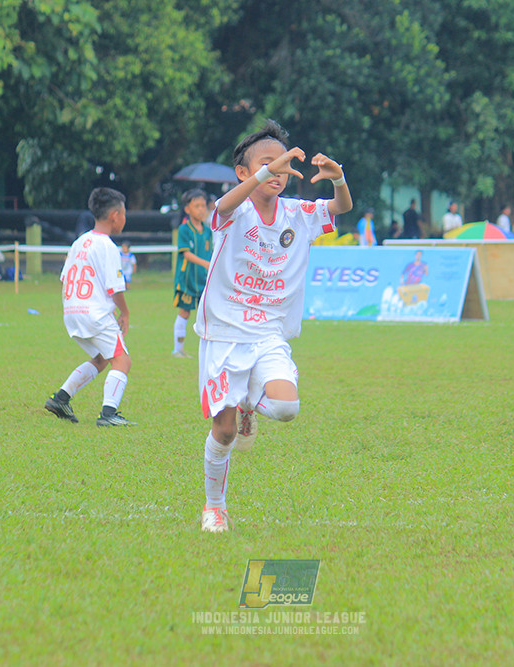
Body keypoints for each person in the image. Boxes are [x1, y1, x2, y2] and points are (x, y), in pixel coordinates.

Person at [195, 119, 352, 533]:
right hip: (223, 337)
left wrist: (338, 180)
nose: (278, 173)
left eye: (283, 166)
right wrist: (269, 168)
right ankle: (215, 507)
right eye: (268, 165)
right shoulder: (234, 211)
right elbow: (222, 207)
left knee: (286, 408)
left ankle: (252, 405)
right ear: (244, 173)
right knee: (224, 433)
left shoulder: (297, 215)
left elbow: (341, 209)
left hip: (268, 334)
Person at [44, 187, 134, 427]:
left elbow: (65, 278)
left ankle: (60, 399)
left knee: (103, 358)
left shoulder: (79, 241)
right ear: (115, 215)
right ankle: (108, 414)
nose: (124, 218)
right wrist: (124, 312)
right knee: (122, 361)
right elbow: (115, 288)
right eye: (124, 213)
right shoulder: (107, 246)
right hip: (94, 314)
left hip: (72, 313)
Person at [172, 188, 213, 359]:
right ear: (187, 209)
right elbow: (186, 253)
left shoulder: (208, 231)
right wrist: (205, 263)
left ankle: (208, 350)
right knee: (185, 312)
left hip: (204, 280)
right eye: (197, 206)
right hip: (187, 279)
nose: (201, 209)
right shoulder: (184, 229)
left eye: (203, 206)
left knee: (207, 313)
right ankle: (178, 349)